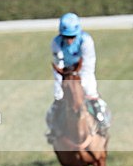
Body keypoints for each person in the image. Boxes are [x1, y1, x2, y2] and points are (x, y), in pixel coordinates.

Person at [46, 12, 110, 142]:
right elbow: (59, 65)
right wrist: (60, 88)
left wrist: (83, 85)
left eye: (72, 36)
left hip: (83, 72)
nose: (69, 40)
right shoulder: (56, 42)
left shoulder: (86, 41)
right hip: (65, 73)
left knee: (92, 94)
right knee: (58, 100)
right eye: (66, 37)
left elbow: (88, 65)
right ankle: (53, 127)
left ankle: (101, 121)